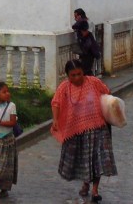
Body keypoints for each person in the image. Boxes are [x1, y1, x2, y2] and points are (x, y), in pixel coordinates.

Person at [51, 59, 117, 202]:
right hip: (77, 131)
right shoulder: (64, 87)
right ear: (67, 75)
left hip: (98, 128)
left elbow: (107, 94)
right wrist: (56, 120)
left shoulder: (93, 82)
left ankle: (95, 190)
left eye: (79, 74)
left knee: (98, 159)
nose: (76, 78)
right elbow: (56, 103)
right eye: (73, 75)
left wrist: (110, 109)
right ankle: (86, 183)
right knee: (84, 161)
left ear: (83, 72)